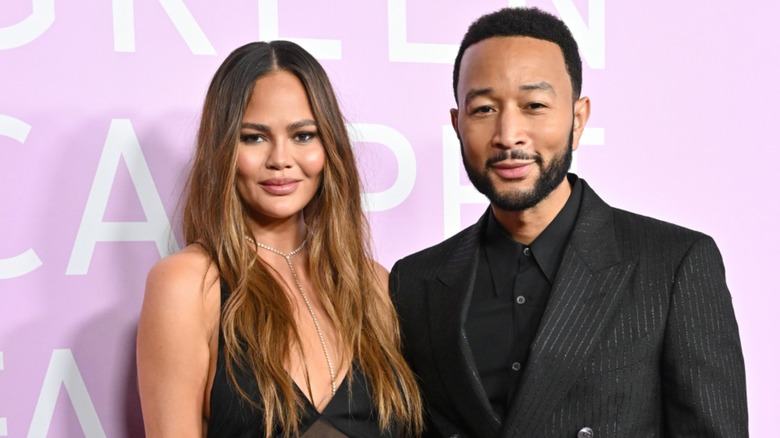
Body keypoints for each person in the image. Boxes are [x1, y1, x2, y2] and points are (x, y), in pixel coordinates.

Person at [390, 7, 748, 438]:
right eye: (484, 109)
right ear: (458, 124)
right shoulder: (415, 281)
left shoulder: (673, 265)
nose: (508, 133)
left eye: (534, 105)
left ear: (577, 120)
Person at [137, 41, 422, 438]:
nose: (280, 159)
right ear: (222, 151)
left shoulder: (373, 285)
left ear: (329, 147)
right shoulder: (187, 284)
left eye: (303, 135)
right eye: (253, 137)